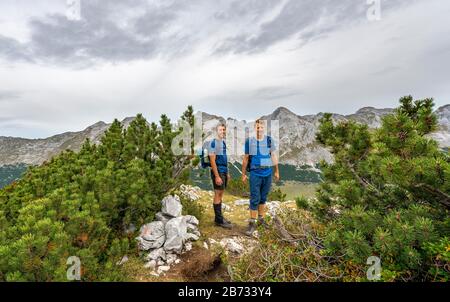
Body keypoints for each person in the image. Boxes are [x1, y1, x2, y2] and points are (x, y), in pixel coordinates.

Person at [242, 119, 279, 236]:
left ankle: (261, 220)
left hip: (267, 173)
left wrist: (276, 171)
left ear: (264, 128)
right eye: (258, 127)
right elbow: (246, 158)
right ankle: (252, 223)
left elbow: (273, 155)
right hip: (255, 173)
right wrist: (243, 174)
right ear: (255, 128)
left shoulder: (269, 140)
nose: (260, 129)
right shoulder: (250, 141)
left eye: (262, 127)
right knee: (254, 197)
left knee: (263, 197)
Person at [208, 123, 233, 229]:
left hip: (223, 171)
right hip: (217, 172)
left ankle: (219, 217)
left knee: (221, 193)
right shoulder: (213, 143)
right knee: (218, 194)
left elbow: (224, 159)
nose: (222, 132)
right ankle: (219, 221)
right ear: (216, 131)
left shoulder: (222, 143)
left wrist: (227, 173)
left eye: (224, 130)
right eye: (220, 130)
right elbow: (212, 161)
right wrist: (217, 176)